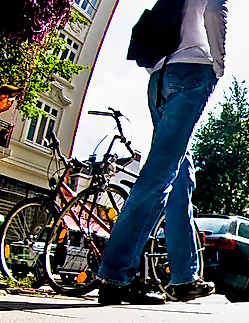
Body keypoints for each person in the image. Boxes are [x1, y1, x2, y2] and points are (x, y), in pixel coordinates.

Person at [95, 0, 226, 305]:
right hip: (192, 72)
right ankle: (115, 276)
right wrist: (218, 66)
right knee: (159, 175)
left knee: (180, 176)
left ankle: (184, 278)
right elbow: (214, 13)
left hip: (159, 78)